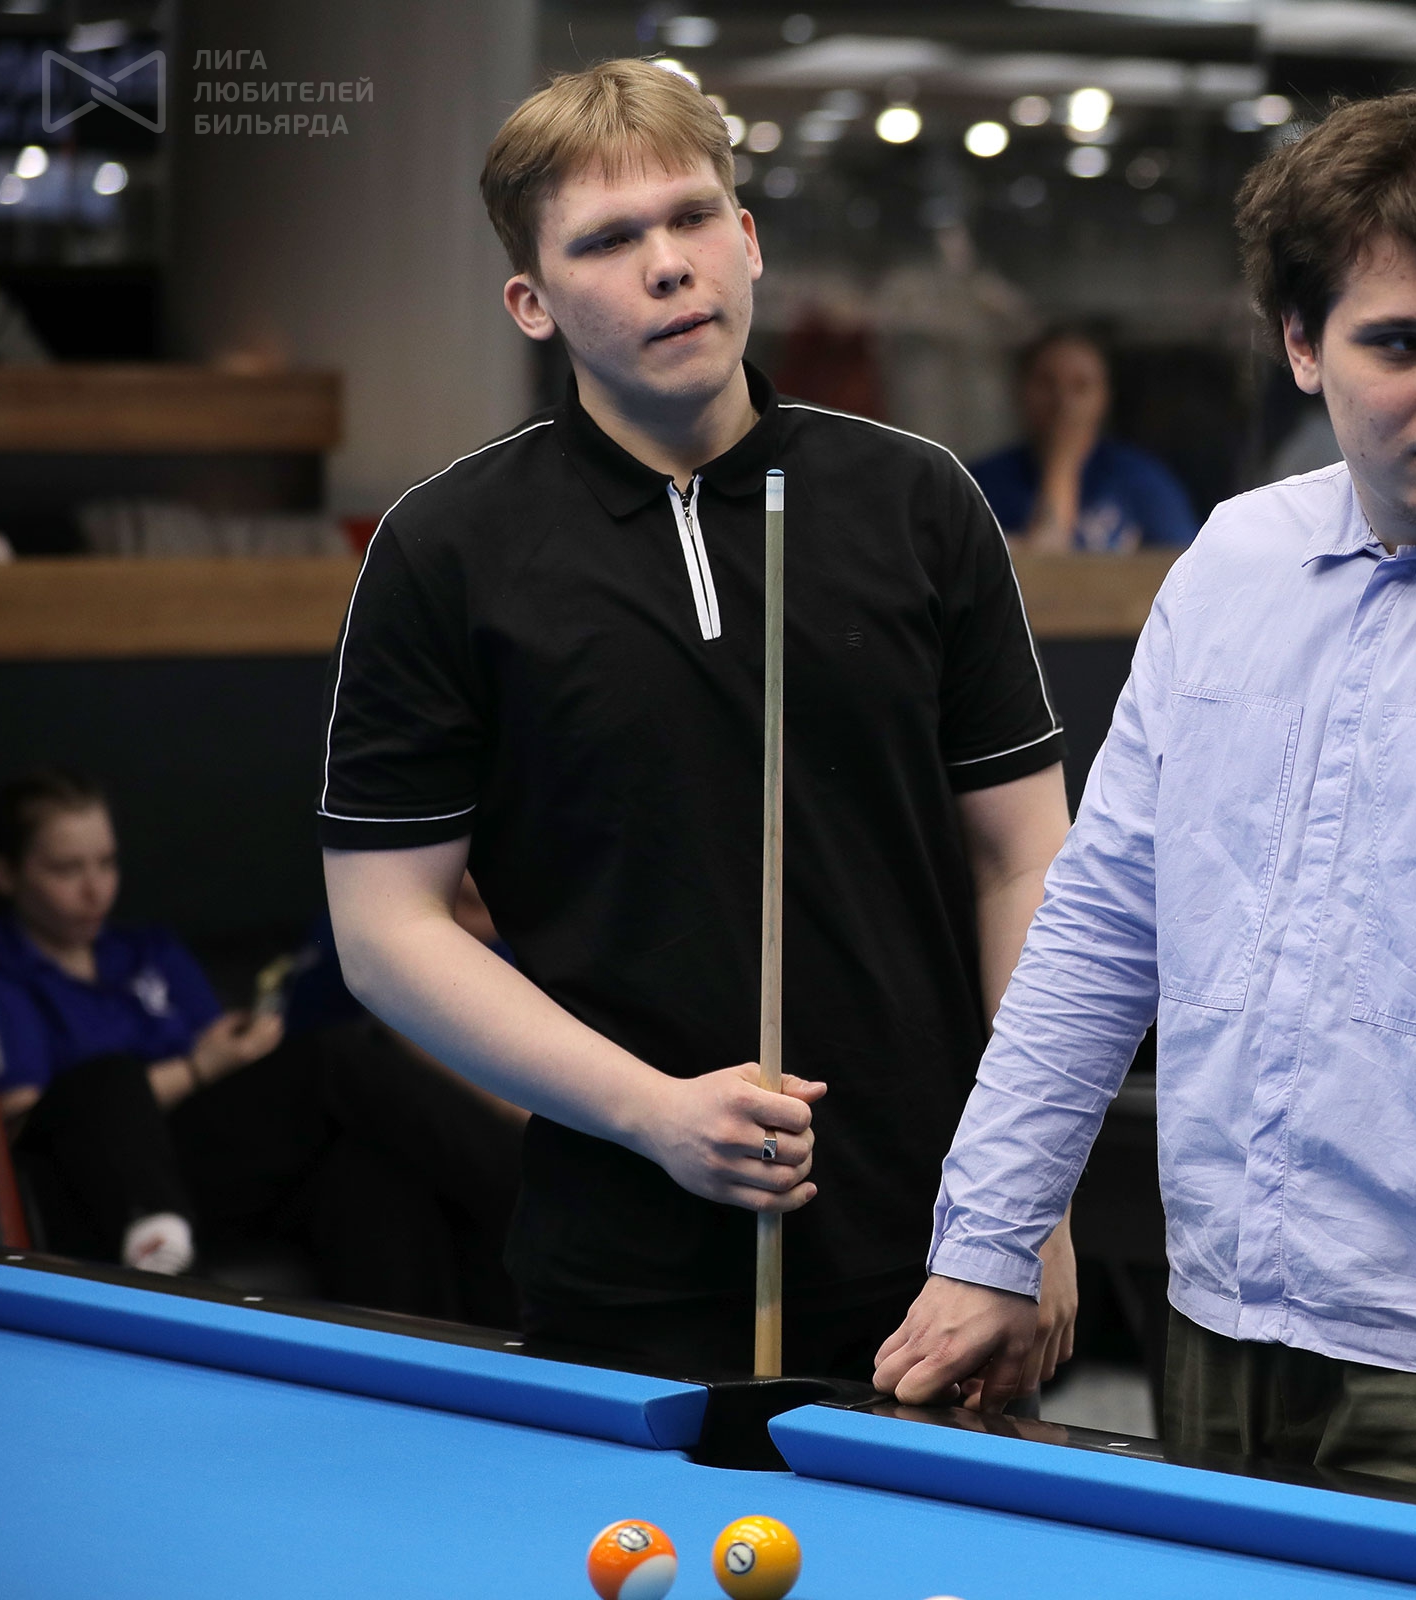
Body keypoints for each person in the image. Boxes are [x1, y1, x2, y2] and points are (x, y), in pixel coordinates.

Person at [874, 92, 1416, 1513]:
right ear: (1301, 345)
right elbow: (1099, 927)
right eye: (1400, 343)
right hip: (1222, 1315)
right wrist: (990, 1234)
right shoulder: (1234, 563)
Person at [318, 59, 1078, 1380]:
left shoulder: (918, 502)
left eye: (693, 216)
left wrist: (1025, 1200)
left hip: (938, 1251)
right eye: (609, 240)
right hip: (623, 1269)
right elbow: (386, 931)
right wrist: (654, 1113)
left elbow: (1024, 864)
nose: (669, 263)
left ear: (749, 238)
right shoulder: (446, 552)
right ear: (532, 301)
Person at [0, 770, 519, 1319]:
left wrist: (234, 1052)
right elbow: (32, 1123)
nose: (95, 888)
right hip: (98, 1180)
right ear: (5, 874)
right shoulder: (0, 972)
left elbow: (222, 1058)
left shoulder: (147, 949)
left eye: (106, 863)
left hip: (211, 1154)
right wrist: (195, 1069)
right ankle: (526, 1187)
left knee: (365, 1170)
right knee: (325, 1059)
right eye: (66, 869)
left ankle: (417, 1354)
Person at [969, 327, 1199, 552]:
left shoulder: (1143, 481)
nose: (1063, 402)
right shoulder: (980, 483)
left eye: (1081, 387)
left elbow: (1187, 562)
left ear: (1103, 397)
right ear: (1021, 391)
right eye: (1046, 384)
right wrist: (1061, 467)